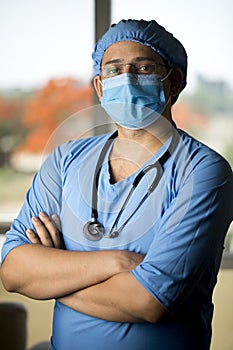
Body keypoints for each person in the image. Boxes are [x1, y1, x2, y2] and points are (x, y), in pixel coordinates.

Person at [1, 19, 233, 350]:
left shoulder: (204, 172)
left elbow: (147, 302)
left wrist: (51, 276)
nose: (127, 78)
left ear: (174, 82)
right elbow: (12, 271)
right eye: (114, 70)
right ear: (99, 86)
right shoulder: (67, 159)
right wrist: (116, 262)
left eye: (143, 67)